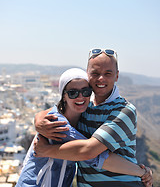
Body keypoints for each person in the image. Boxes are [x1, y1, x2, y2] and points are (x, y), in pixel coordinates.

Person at [34, 49, 153, 187]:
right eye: (95, 73)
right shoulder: (84, 105)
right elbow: (58, 110)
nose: (101, 79)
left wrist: (45, 150)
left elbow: (88, 151)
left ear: (117, 76)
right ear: (87, 75)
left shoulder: (124, 111)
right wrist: (38, 119)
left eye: (108, 73)